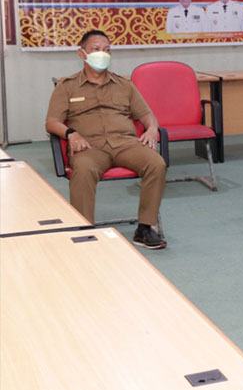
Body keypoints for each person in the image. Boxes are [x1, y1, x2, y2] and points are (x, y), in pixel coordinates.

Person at [45, 30, 168, 249]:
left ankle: (145, 228)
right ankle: (83, 229)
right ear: (82, 54)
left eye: (106, 50)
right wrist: (71, 134)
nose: (102, 54)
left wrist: (151, 129)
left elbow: (146, 114)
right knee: (84, 169)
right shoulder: (67, 86)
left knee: (156, 164)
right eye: (95, 49)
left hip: (125, 143)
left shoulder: (124, 85)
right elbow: (52, 122)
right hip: (89, 146)